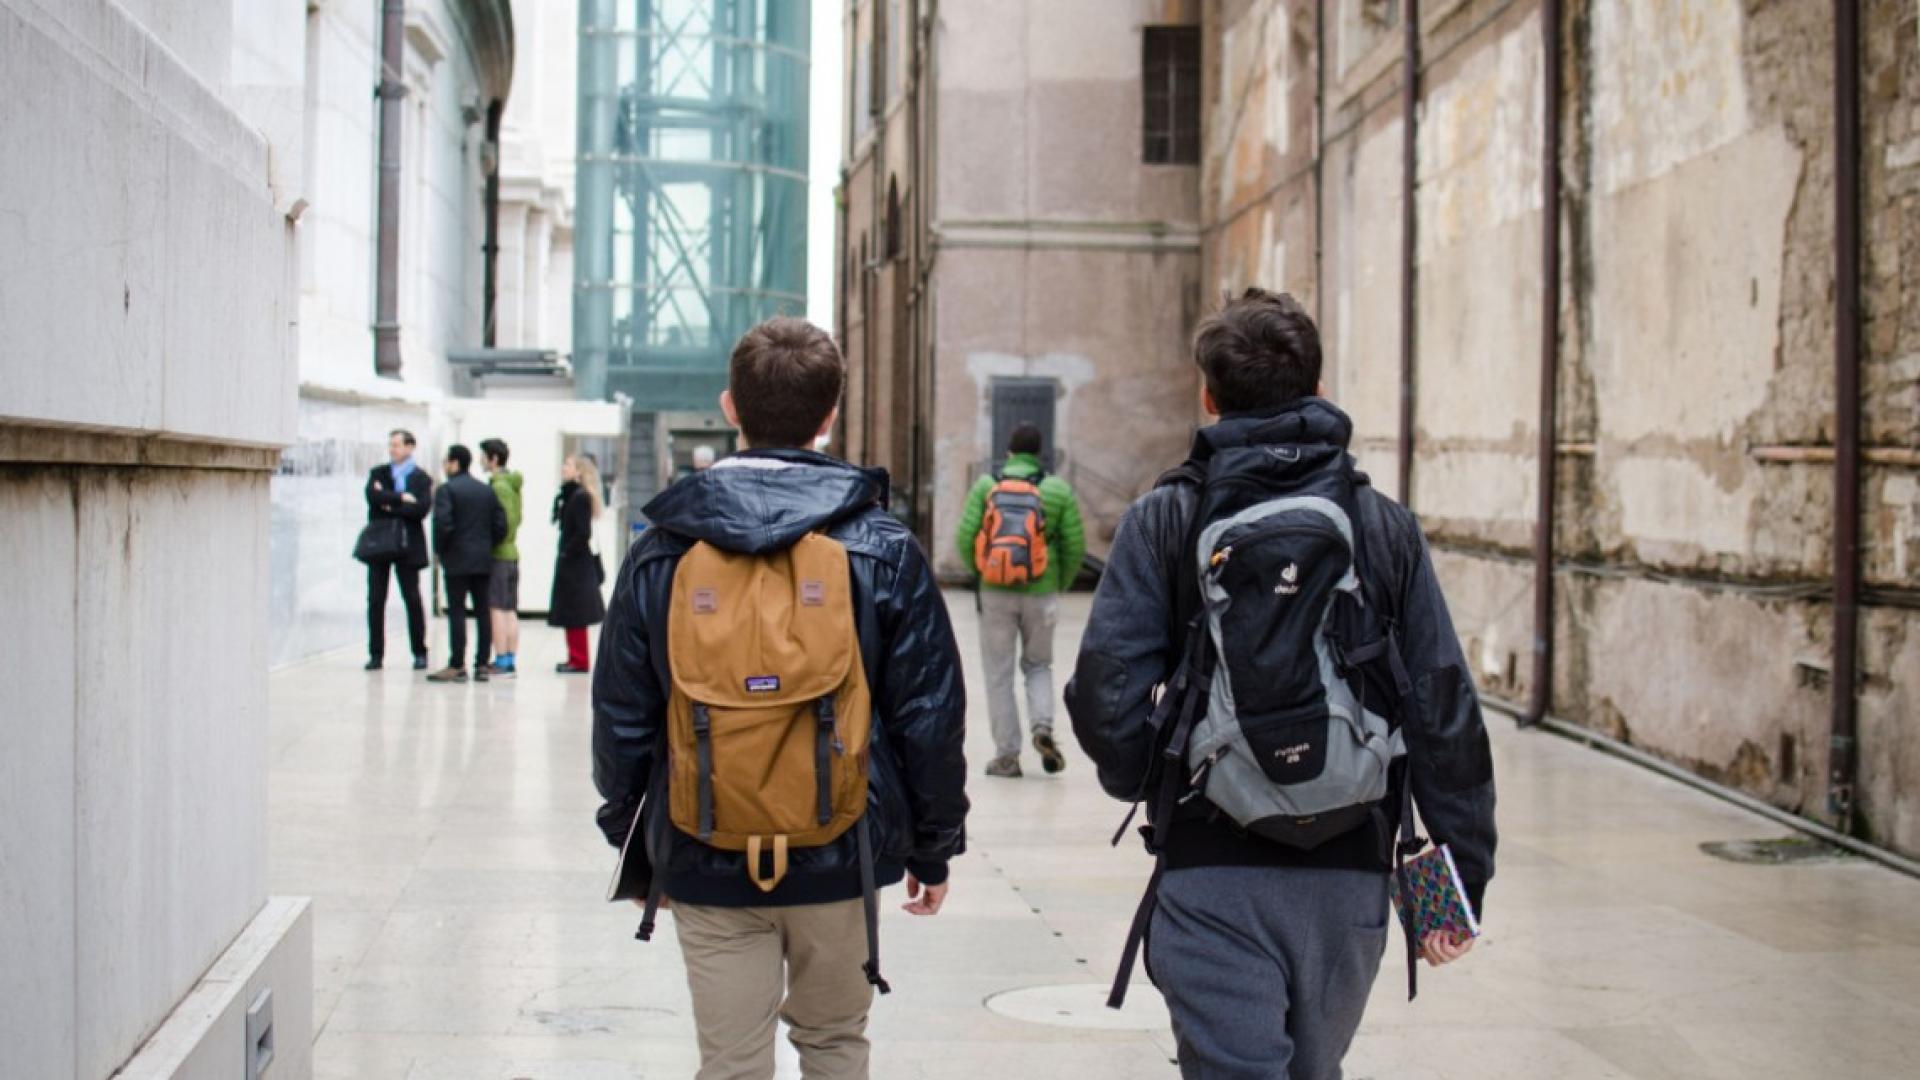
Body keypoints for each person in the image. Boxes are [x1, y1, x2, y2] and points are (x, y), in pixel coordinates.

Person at [1065, 289, 1497, 1080]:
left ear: (1209, 397)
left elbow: (1104, 691)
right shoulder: (1382, 526)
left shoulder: (1167, 517)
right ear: (1319, 393)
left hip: (1211, 861)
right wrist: (1458, 878)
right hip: (1349, 877)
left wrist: (1150, 781)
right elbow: (1444, 707)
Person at [592, 316, 969, 1080]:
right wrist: (934, 843)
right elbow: (928, 712)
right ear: (830, 417)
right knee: (834, 1047)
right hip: (844, 846)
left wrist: (635, 838)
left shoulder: (663, 549)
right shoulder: (882, 546)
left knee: (730, 1063)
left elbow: (623, 714)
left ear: (731, 408)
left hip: (703, 841)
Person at [953, 422, 1085, 778]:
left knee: (998, 674)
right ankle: (1042, 726)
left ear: (1009, 452)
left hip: (995, 591)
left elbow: (965, 538)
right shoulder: (1056, 490)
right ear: (1039, 453)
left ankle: (1007, 756)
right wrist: (1060, 581)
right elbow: (1075, 545)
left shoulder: (986, 486)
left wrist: (984, 572)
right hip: (1042, 591)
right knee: (1038, 665)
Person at [428, 444, 507, 683]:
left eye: (446, 461)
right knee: (483, 612)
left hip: (457, 559)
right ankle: (482, 663)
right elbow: (500, 525)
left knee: (457, 611)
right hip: (483, 558)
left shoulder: (446, 490)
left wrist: (442, 551)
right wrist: (486, 544)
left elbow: (442, 524)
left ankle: (457, 663)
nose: (444, 466)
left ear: (454, 463)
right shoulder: (486, 490)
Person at [363, 429, 432, 671]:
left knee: (412, 598)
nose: (392, 449)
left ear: (410, 447)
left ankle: (420, 651)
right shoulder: (378, 473)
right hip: (381, 543)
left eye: (397, 445)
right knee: (375, 599)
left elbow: (421, 509)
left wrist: (389, 503)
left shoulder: (421, 478)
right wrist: (402, 497)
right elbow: (372, 496)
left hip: (408, 546)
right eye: (390, 445)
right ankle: (375, 653)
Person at [549, 454, 607, 674]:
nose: (564, 468)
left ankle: (579, 660)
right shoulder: (571, 495)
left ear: (579, 471)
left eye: (568, 465)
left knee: (575, 613)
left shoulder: (580, 497)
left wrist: (566, 553)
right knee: (571, 612)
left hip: (575, 564)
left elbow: (582, 532)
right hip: (573, 562)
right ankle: (574, 657)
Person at [480, 438, 523, 677]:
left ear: (493, 459)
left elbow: (503, 523)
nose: (481, 460)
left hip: (500, 555)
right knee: (509, 608)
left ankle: (502, 659)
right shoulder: (513, 485)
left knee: (497, 608)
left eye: (483, 456)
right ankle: (509, 659)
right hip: (512, 553)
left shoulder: (499, 487)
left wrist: (491, 542)